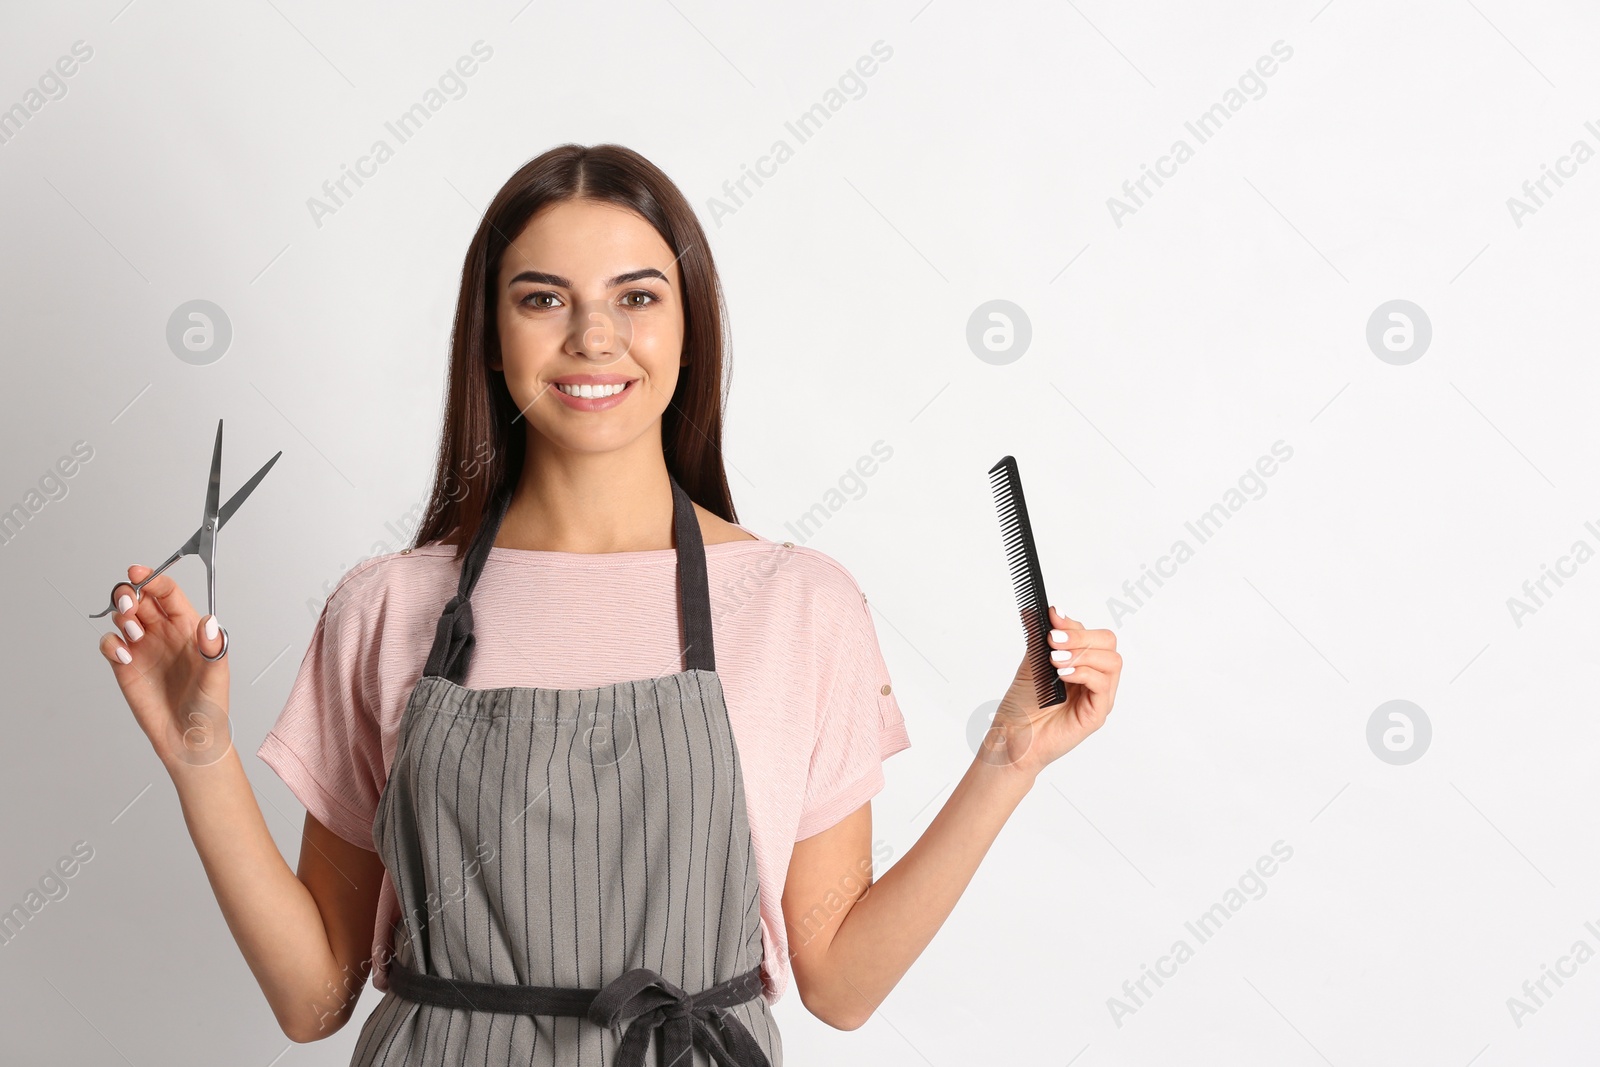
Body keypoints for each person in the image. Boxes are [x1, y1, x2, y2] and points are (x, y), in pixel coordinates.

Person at [97, 143, 1124, 1066]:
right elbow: (314, 998)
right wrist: (200, 753)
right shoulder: (386, 605)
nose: (594, 335)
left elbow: (841, 984)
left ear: (688, 329)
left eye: (637, 297)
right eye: (542, 298)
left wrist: (1007, 757)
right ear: (492, 337)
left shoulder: (798, 602)